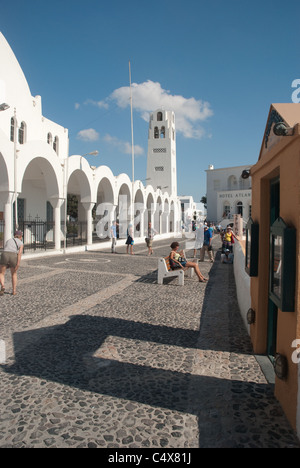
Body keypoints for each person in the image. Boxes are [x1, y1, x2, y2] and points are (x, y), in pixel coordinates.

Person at [0, 230, 24, 296]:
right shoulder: (21, 243)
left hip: (5, 254)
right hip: (13, 255)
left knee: (1, 273)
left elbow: (6, 248)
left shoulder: (8, 240)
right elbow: (19, 253)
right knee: (14, 273)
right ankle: (14, 291)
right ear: (20, 236)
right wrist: (18, 263)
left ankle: (3, 286)